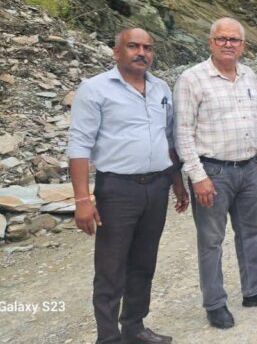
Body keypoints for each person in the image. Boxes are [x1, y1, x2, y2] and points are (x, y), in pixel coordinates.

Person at [68, 27, 188, 344]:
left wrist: (177, 182)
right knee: (111, 266)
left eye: (148, 48)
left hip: (157, 186)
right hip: (117, 189)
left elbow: (169, 139)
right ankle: (108, 337)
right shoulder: (95, 89)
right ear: (116, 51)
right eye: (133, 46)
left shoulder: (161, 88)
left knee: (144, 262)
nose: (142, 53)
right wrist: (82, 199)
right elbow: (79, 145)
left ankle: (134, 327)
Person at [174, 18, 257, 330]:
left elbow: (255, 123)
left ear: (243, 45)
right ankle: (215, 303)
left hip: (248, 168)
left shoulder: (249, 75)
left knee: (253, 231)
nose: (228, 44)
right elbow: (182, 132)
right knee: (211, 240)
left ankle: (255, 290)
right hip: (212, 171)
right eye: (222, 39)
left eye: (234, 40)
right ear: (210, 42)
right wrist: (197, 176)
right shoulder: (192, 79)